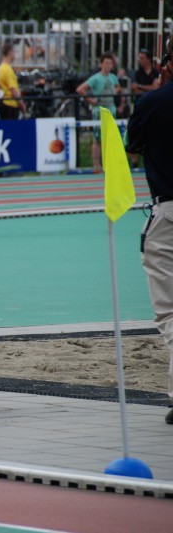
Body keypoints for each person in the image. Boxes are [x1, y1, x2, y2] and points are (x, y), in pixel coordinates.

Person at [126, 36, 173, 424]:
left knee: (171, 312)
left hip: (169, 215)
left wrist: (157, 93)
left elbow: (132, 146)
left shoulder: (152, 103)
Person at [76, 52, 121, 173]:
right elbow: (80, 89)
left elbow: (117, 87)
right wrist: (91, 100)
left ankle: (109, 164)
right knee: (97, 138)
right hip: (99, 111)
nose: (108, 65)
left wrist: (114, 93)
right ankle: (96, 165)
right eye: (106, 63)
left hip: (111, 110)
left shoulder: (113, 77)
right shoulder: (96, 78)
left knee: (110, 138)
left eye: (110, 63)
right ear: (101, 64)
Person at [0, 43, 27, 120]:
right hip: (10, 104)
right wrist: (21, 104)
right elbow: (13, 89)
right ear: (10, 52)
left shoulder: (1, 68)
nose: (15, 54)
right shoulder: (7, 69)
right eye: (14, 52)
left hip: (4, 103)